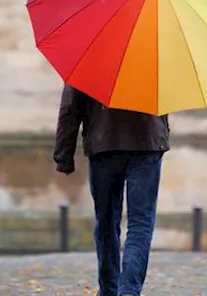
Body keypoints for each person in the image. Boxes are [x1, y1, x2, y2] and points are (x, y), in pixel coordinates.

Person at [54, 84, 169, 296]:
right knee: (140, 223)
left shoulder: (88, 53)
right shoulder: (159, 53)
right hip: (147, 142)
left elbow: (70, 106)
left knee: (106, 221)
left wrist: (64, 155)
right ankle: (128, 292)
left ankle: (109, 290)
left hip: (103, 142)